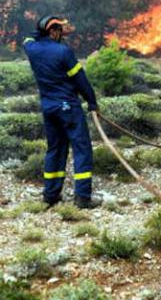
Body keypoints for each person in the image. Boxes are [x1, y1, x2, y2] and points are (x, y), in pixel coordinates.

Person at [23, 15, 102, 209]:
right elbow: (80, 80)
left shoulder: (32, 49)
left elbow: (28, 38)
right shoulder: (63, 52)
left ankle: (51, 195)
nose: (62, 34)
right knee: (82, 148)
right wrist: (92, 102)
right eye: (59, 30)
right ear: (52, 31)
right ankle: (83, 197)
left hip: (49, 108)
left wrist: (44, 28)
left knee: (55, 149)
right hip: (68, 107)